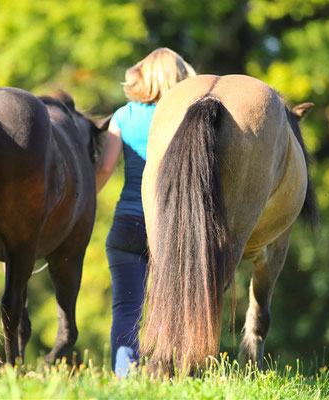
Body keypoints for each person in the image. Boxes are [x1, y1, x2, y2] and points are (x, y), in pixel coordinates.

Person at [95, 48, 196, 376]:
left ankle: (126, 383)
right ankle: (176, 377)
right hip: (173, 227)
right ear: (179, 77)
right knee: (178, 309)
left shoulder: (123, 116)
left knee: (126, 309)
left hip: (127, 224)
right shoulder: (187, 115)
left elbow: (104, 169)